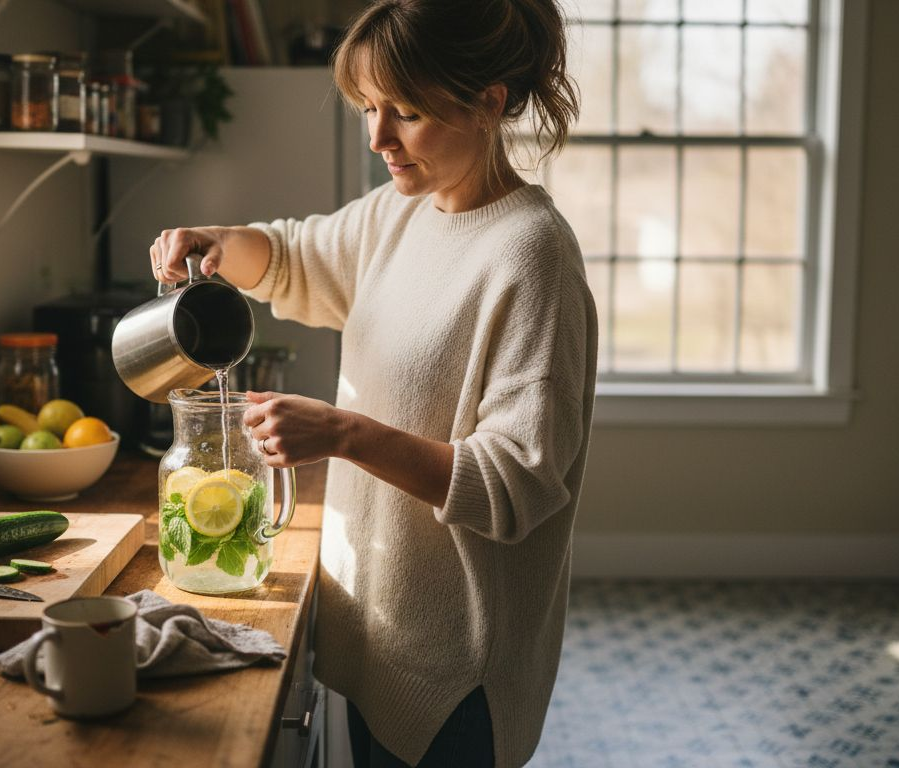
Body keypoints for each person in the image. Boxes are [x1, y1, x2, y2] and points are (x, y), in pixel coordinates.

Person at [148, 1, 596, 765]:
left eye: (407, 112)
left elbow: (515, 485)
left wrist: (343, 433)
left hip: (456, 672)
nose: (378, 137)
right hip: (369, 637)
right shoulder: (399, 213)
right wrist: (217, 241)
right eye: (368, 108)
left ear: (488, 102)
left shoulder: (532, 255)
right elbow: (293, 257)